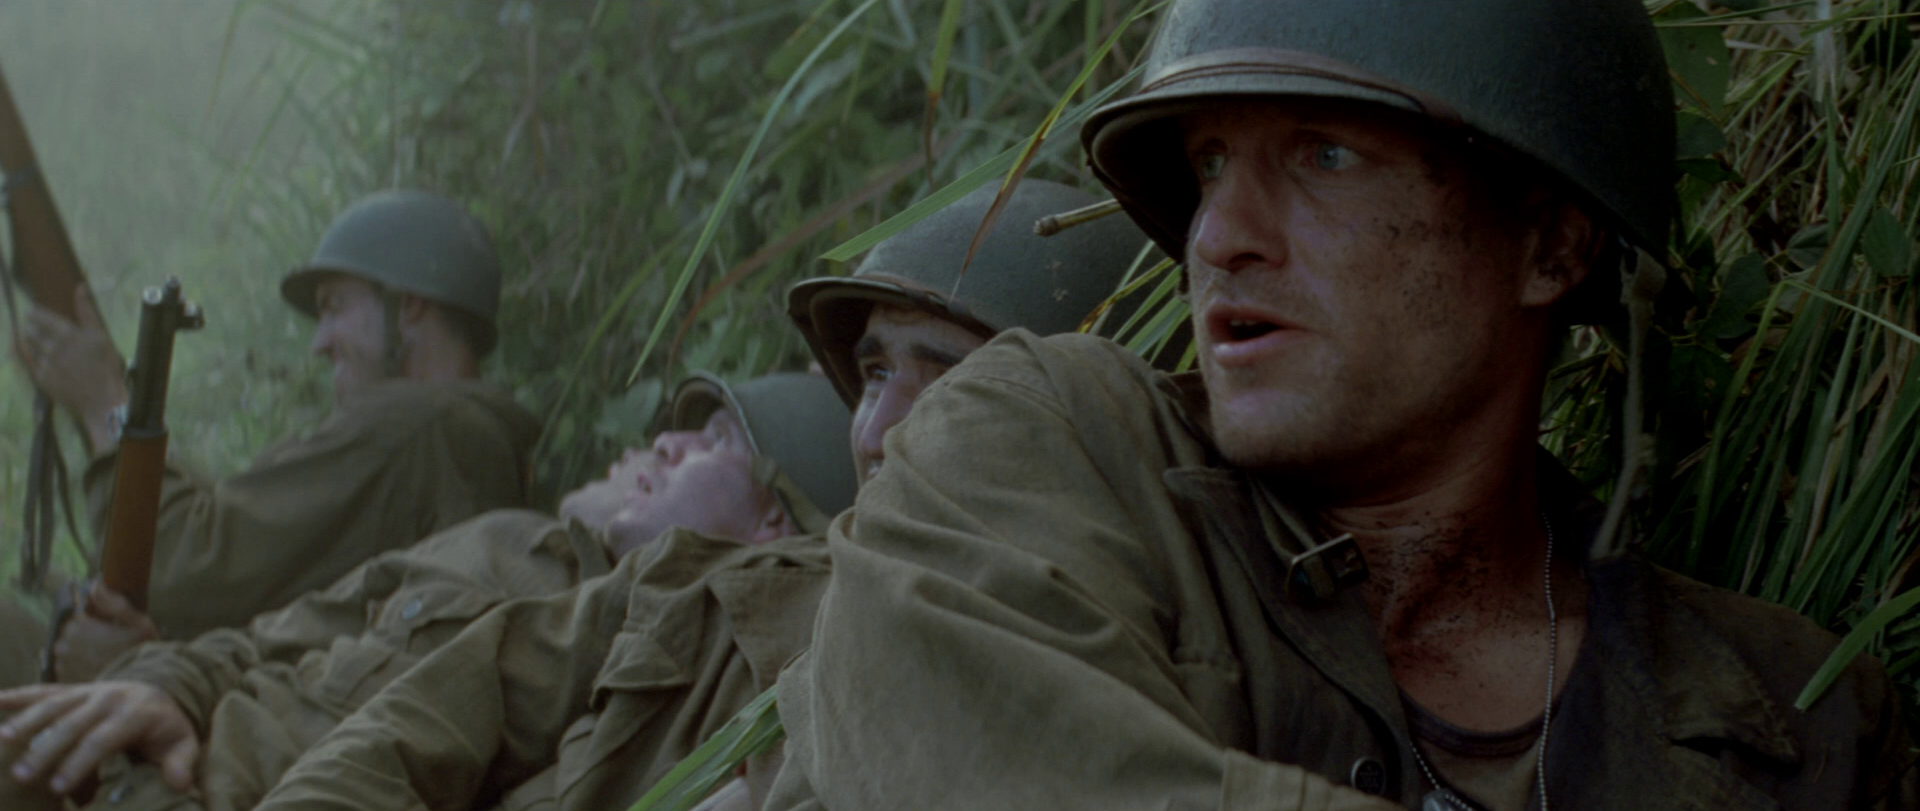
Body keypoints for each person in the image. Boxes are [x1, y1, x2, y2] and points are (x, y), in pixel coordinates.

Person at [763, 1, 1920, 809]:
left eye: (1323, 157)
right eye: (1210, 164)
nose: (1218, 236)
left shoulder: (1799, 715)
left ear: (1550, 246)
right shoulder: (1054, 442)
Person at [241, 178, 1150, 811]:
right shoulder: (721, 591)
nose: (874, 430)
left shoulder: (1117, 664)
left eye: (948, 385)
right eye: (873, 373)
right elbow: (429, 710)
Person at [0, 371, 857, 811]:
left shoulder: (664, 653)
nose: (666, 442)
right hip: (108, 753)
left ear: (774, 527)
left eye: (716, 441)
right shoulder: (498, 538)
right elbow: (259, 639)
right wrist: (165, 685)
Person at [11, 190, 544, 683]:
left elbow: (180, 565)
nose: (320, 343)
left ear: (408, 307)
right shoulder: (464, 439)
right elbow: (230, 545)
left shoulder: (416, 427)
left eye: (334, 307)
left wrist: (105, 406)